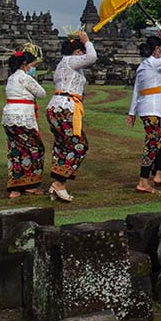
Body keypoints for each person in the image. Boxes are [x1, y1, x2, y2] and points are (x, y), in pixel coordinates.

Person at [127, 29, 161, 194]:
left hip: (154, 109)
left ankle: (159, 175)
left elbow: (136, 90)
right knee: (152, 144)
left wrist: (132, 112)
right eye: (160, 49)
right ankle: (143, 181)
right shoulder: (152, 63)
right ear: (156, 50)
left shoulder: (147, 65)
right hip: (152, 109)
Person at [46, 30, 96, 203]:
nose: (82, 54)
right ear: (75, 52)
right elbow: (92, 57)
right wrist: (86, 40)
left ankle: (57, 182)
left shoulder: (64, 64)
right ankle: (58, 183)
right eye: (80, 51)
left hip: (59, 107)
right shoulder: (70, 61)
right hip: (64, 108)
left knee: (62, 146)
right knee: (79, 145)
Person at [2, 46, 47, 199]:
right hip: (22, 117)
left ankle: (15, 187)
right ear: (24, 65)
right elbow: (42, 93)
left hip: (9, 117)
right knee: (35, 149)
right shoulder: (25, 78)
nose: (33, 69)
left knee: (16, 151)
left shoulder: (11, 77)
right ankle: (29, 184)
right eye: (33, 66)